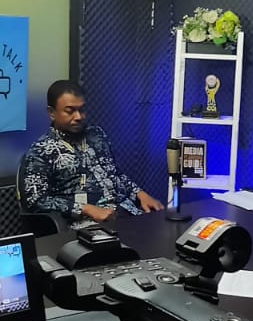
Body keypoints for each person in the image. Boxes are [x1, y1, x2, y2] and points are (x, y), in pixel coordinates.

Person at [20, 80, 163, 223]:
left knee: (166, 228)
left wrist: (140, 193)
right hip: (87, 223)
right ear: (52, 113)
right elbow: (35, 201)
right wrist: (86, 209)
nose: (78, 117)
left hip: (126, 212)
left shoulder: (97, 134)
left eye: (82, 110)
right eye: (70, 111)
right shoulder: (40, 150)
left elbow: (114, 173)